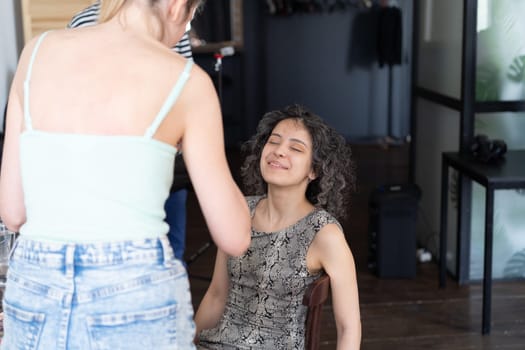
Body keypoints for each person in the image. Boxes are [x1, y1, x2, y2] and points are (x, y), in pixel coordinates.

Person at [0, 0, 251, 348]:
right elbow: (234, 236)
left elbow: (13, 213)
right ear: (178, 6)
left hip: (34, 282)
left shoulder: (36, 51)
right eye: (192, 19)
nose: (184, 32)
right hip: (135, 283)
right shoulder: (187, 81)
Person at [194, 104, 362, 349]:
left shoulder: (324, 234)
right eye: (273, 142)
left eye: (295, 148)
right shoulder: (240, 210)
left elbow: (349, 327)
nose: (279, 152)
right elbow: (217, 294)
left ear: (314, 170)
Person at [68, 0, 192, 261]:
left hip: (165, 154)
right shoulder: (82, 22)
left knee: (172, 247)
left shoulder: (173, 21)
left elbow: (184, 81)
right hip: (108, 162)